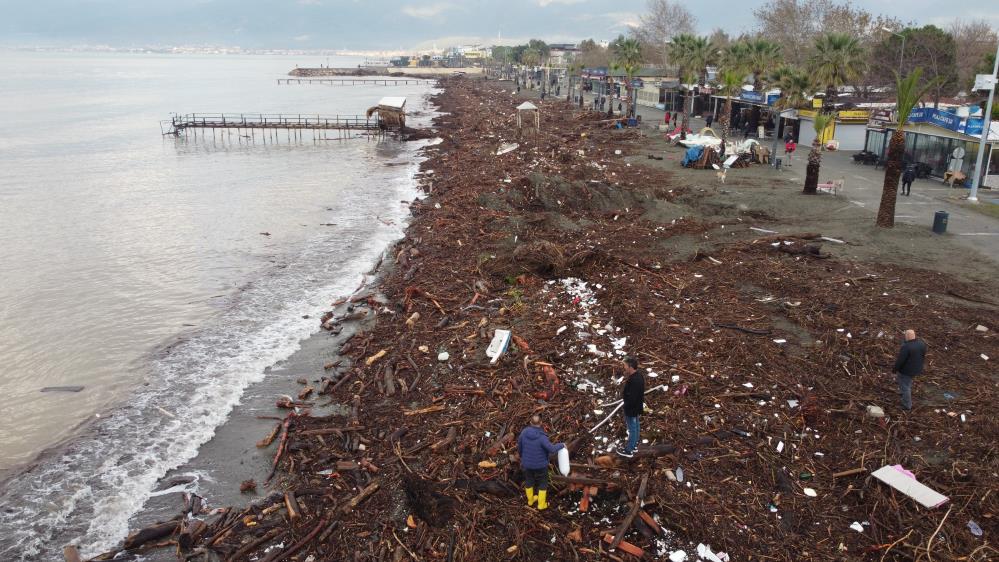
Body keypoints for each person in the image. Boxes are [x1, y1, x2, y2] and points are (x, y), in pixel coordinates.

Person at [517, 415, 565, 510]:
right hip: (540, 465)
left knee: (529, 480)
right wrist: (561, 445)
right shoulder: (542, 437)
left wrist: (523, 457)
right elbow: (551, 449)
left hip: (527, 464)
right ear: (541, 423)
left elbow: (520, 447)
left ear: (530, 423)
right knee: (543, 483)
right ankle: (541, 505)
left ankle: (530, 501)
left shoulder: (524, 433)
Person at [617, 357, 646, 458]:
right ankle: (634, 446)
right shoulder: (639, 376)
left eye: (625, 365)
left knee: (632, 429)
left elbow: (632, 397)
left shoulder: (635, 380)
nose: (624, 367)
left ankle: (629, 450)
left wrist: (626, 406)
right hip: (636, 407)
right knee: (636, 427)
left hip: (632, 409)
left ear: (630, 366)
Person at [892, 329, 927, 411]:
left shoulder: (906, 347)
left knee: (905, 386)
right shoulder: (921, 344)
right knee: (907, 383)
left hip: (906, 371)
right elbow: (923, 355)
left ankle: (907, 405)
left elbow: (900, 360)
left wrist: (894, 370)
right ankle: (904, 394)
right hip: (916, 369)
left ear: (907, 336)